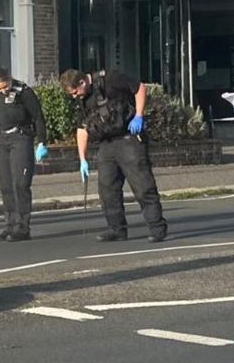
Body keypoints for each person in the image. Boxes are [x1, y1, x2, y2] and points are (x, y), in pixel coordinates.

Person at [60, 68, 168, 243]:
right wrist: (82, 159)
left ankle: (157, 228)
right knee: (107, 190)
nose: (75, 96)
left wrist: (139, 116)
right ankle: (117, 229)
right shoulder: (82, 99)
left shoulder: (111, 78)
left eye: (75, 92)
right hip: (107, 144)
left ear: (82, 82)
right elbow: (82, 128)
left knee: (143, 186)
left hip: (129, 140)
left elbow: (139, 88)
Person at [0, 69, 48, 242]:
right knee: (5, 185)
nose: (3, 91)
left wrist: (42, 142)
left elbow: (38, 117)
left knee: (20, 184)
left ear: (9, 80)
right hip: (0, 139)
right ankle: (9, 224)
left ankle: (22, 227)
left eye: (5, 86)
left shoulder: (24, 92)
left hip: (20, 138)